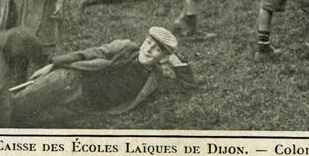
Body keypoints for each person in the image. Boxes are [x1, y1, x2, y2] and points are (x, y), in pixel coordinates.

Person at [11, 26, 195, 127]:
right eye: (148, 43)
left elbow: (188, 86)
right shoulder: (126, 48)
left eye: (157, 50)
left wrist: (175, 60)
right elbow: (89, 53)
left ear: (163, 58)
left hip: (84, 106)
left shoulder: (155, 77)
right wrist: (54, 64)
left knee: (28, 121)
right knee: (17, 106)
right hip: (72, 80)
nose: (148, 50)